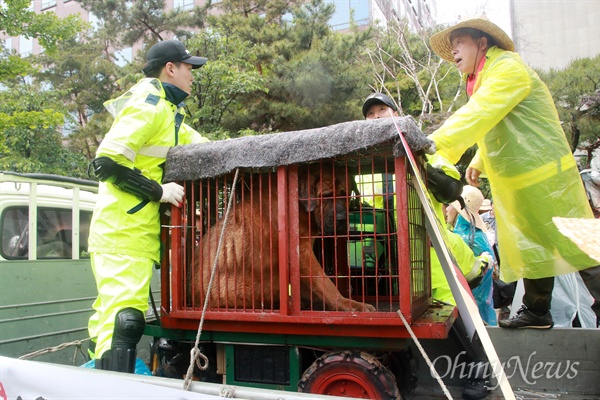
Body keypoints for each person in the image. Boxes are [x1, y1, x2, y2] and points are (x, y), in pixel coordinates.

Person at [428, 17, 600, 329]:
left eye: (459, 42)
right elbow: (495, 123)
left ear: (482, 43)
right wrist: (478, 160)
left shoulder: (507, 67)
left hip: (546, 178)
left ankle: (538, 310)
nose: (453, 51)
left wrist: (432, 144)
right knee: (536, 243)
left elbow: (481, 112)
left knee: (580, 247)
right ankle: (537, 311)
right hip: (524, 179)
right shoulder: (482, 79)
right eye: (451, 46)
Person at [87, 39, 210, 372]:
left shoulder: (168, 114)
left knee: (110, 320)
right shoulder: (149, 105)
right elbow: (106, 162)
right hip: (122, 233)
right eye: (189, 68)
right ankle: (108, 391)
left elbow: (203, 145)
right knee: (125, 321)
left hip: (129, 236)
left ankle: (96, 381)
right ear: (170, 68)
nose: (192, 76)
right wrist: (159, 191)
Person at [362, 93, 492, 400]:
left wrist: (417, 162)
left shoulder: (424, 150)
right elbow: (371, 210)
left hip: (434, 253)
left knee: (457, 312)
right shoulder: (373, 168)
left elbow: (451, 189)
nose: (377, 116)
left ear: (397, 113)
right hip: (402, 258)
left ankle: (481, 372)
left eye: (383, 109)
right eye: (370, 114)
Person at [446, 185, 497, 325]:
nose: (447, 209)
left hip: (471, 312)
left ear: (458, 209)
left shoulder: (462, 238)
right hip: (483, 307)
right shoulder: (476, 235)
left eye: (450, 205)